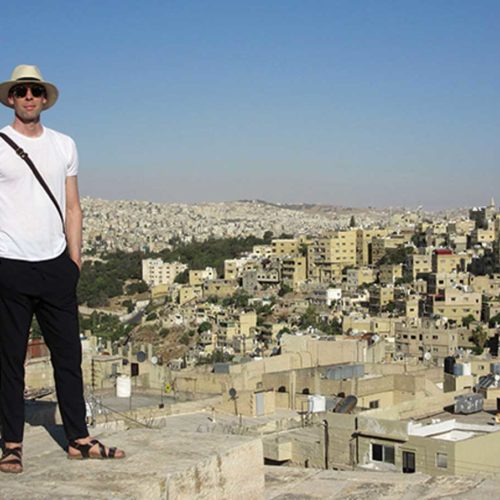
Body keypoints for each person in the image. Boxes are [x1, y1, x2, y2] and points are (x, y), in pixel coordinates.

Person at [0, 65, 124, 473]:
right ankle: (12, 444)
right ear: (11, 97)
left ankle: (78, 438)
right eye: (22, 90)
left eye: (35, 90)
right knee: (10, 361)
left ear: (45, 98)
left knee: (68, 357)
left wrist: (75, 260)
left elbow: (73, 206)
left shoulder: (64, 145)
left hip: (56, 265)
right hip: (10, 265)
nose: (29, 96)